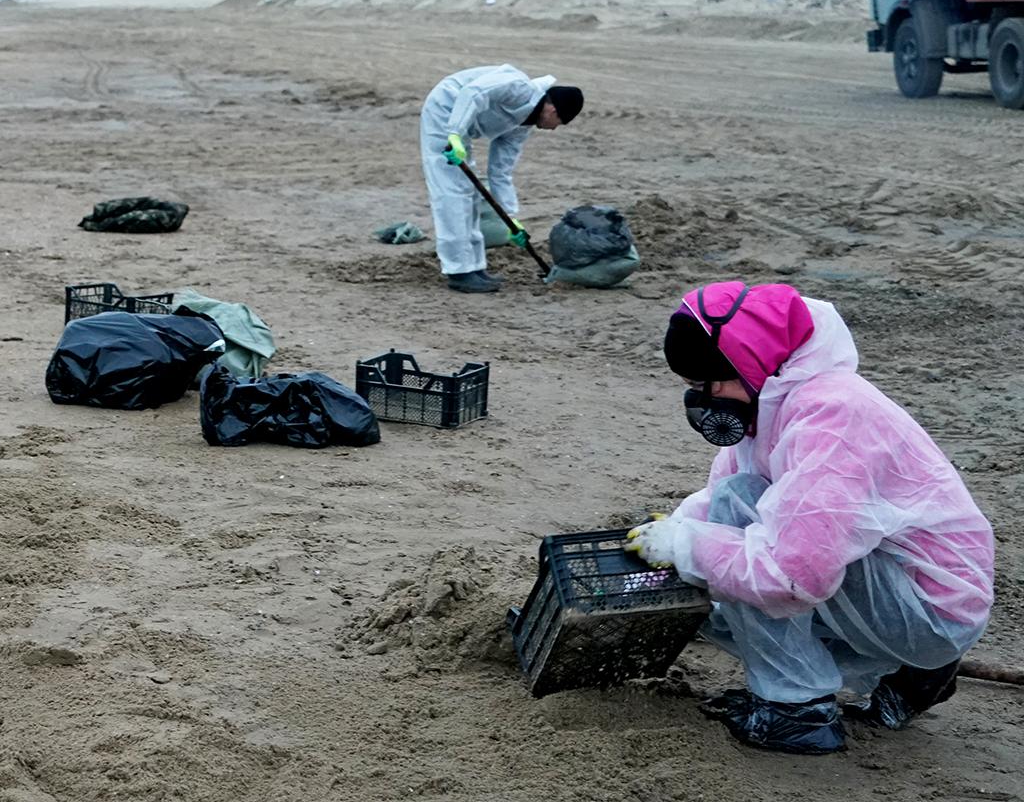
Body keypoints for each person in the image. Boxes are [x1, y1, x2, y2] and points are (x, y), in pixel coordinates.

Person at [628, 282, 994, 755]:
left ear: (748, 364)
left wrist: (685, 545)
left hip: (929, 608)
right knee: (709, 601)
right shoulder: (772, 398)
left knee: (733, 553)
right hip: (886, 590)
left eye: (707, 384)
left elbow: (794, 577)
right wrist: (668, 536)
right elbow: (725, 498)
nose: (702, 400)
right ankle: (900, 672)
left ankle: (797, 713)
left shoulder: (832, 413)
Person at [417, 65, 582, 293]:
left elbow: (501, 172)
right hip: (445, 109)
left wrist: (510, 219)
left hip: (462, 126)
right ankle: (459, 272)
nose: (555, 129)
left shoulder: (522, 126)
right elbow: (473, 92)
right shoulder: (517, 86)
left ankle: (475, 267)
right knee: (452, 192)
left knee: (470, 193)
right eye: (560, 123)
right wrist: (454, 133)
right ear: (553, 110)